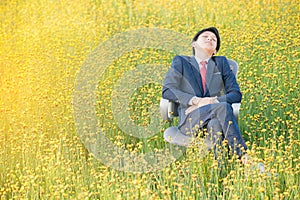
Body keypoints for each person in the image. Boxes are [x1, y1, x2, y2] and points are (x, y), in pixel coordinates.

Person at [162, 27, 248, 164]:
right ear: (194, 44)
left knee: (216, 124)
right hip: (190, 120)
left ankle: (220, 172)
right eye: (205, 37)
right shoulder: (181, 62)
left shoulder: (221, 63)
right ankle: (244, 157)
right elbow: (168, 90)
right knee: (223, 107)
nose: (210, 39)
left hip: (215, 116)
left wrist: (211, 101)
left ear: (215, 51)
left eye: (213, 40)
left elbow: (236, 94)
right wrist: (195, 101)